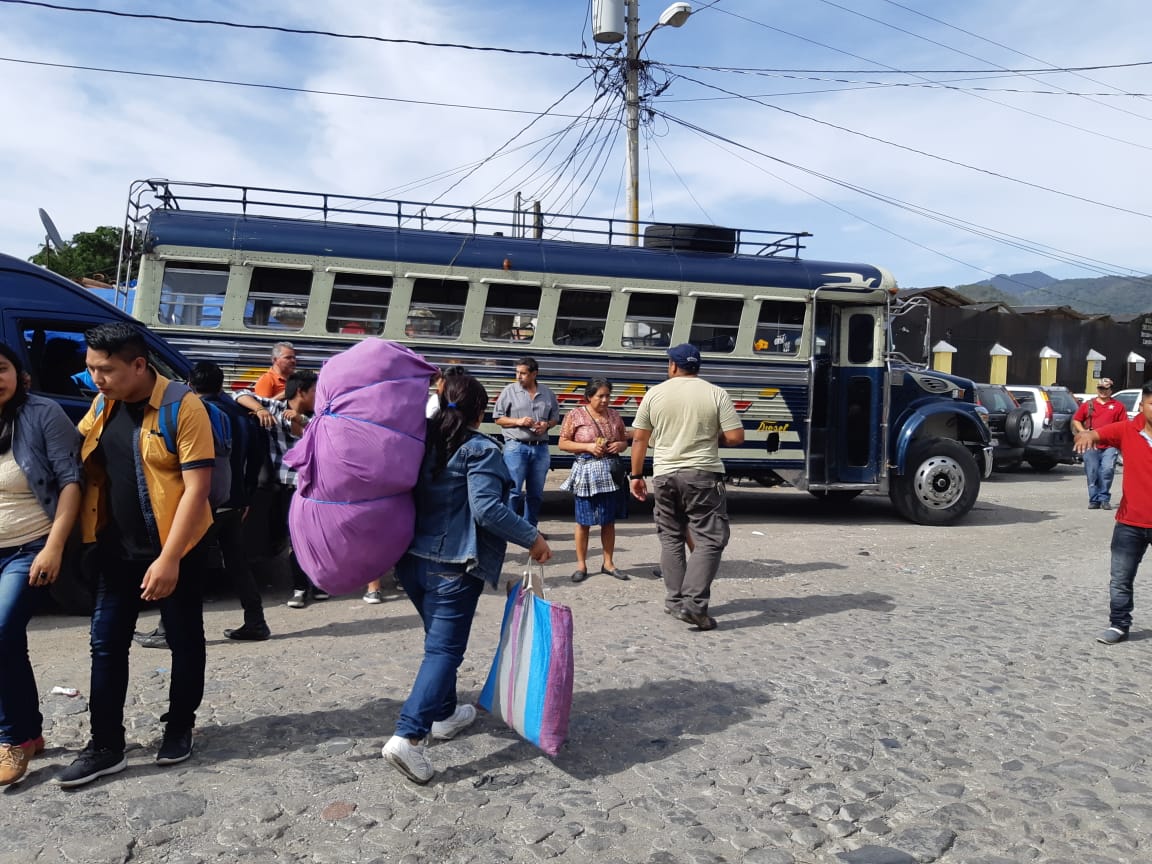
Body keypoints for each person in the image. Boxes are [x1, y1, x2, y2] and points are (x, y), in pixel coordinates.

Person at [57, 323, 217, 788]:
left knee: (185, 639)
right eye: (90, 369)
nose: (94, 378)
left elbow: (197, 489)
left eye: (104, 370)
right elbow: (76, 454)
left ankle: (179, 725)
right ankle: (106, 746)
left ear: (139, 365)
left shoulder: (182, 407)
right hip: (116, 550)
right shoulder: (102, 405)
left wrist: (169, 559)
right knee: (105, 644)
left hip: (177, 548)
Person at [382, 374, 551, 784]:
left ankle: (443, 713)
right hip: (453, 565)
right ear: (480, 410)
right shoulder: (479, 449)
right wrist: (533, 538)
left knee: (438, 641)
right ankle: (409, 736)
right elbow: (488, 509)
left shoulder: (422, 443)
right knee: (444, 651)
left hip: (412, 561)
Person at [0, 343, 82, 786]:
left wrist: (53, 546)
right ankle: (29, 733)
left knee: (0, 631)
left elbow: (71, 482)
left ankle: (10, 737)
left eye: (1, 369)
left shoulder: (42, 413)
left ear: (18, 373)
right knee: (7, 641)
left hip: (28, 546)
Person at [629, 343, 745, 632]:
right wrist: (707, 437)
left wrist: (635, 475)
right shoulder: (716, 393)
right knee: (709, 539)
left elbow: (640, 439)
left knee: (670, 536)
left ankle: (675, 600)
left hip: (665, 475)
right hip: (702, 475)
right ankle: (693, 606)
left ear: (672, 365)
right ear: (698, 367)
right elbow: (735, 437)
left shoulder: (654, 394)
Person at [235, 371, 323, 608]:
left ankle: (316, 582)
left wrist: (302, 420)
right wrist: (261, 410)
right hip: (288, 486)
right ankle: (300, 588)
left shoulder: (318, 415)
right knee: (295, 538)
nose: (319, 395)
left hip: (315, 488)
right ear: (301, 392)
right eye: (315, 391)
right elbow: (239, 394)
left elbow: (330, 431)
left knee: (314, 538)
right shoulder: (275, 408)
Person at [1075, 383, 1152, 645]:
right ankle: (1119, 625)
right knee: (1120, 578)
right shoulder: (1128, 429)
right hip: (1130, 522)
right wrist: (1086, 435)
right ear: (1142, 406)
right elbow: (1096, 434)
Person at [558, 378, 630, 583]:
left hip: (610, 473)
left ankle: (608, 563)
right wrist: (588, 447)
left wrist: (620, 446)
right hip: (586, 472)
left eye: (608, 395)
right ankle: (581, 565)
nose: (605, 400)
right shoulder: (575, 415)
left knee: (608, 521)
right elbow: (563, 443)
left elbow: (624, 440)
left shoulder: (615, 415)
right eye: (601, 396)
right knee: (583, 521)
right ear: (589, 396)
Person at [492, 357, 559, 527]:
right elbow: (498, 418)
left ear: (534, 374)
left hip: (540, 449)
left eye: (523, 373)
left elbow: (554, 418)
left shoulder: (547, 393)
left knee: (535, 493)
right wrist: (518, 422)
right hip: (516, 447)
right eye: (517, 373)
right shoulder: (509, 391)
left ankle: (530, 529)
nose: (518, 377)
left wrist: (546, 425)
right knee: (513, 491)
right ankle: (509, 528)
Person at [1071, 378, 1126, 511]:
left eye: (1105, 389)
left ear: (1111, 390)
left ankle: (1104, 498)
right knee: (1092, 471)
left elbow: (1123, 425)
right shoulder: (1089, 405)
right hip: (1091, 445)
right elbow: (1076, 420)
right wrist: (1084, 432)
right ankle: (1094, 499)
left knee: (1107, 470)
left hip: (1110, 445)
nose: (1102, 391)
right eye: (1100, 388)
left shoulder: (1118, 406)